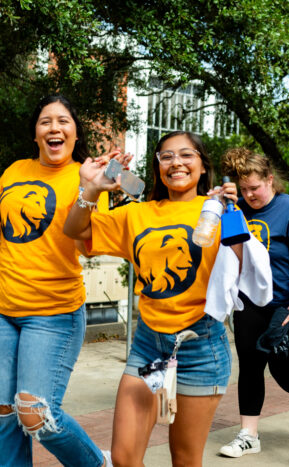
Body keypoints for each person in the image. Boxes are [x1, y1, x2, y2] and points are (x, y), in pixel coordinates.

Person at [63, 130, 240, 467]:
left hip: (200, 346)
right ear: (157, 166)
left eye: (187, 155)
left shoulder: (218, 211)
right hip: (148, 343)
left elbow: (248, 271)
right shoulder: (138, 215)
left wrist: (233, 211)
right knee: (124, 458)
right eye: (166, 156)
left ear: (203, 166)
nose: (176, 162)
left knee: (185, 460)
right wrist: (94, 187)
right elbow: (75, 231)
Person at [0, 94, 112, 467]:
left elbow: (87, 246)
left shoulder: (89, 178)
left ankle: (97, 464)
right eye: (46, 121)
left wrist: (89, 191)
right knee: (5, 413)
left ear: (76, 133)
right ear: (35, 134)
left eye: (63, 121)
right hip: (1, 308)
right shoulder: (16, 170)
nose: (54, 128)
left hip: (54, 313)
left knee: (37, 415)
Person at [217, 148, 289, 458]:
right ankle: (249, 434)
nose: (250, 195)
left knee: (283, 369)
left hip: (287, 302)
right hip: (250, 301)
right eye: (244, 189)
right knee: (250, 365)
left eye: (255, 188)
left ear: (270, 179)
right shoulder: (237, 210)